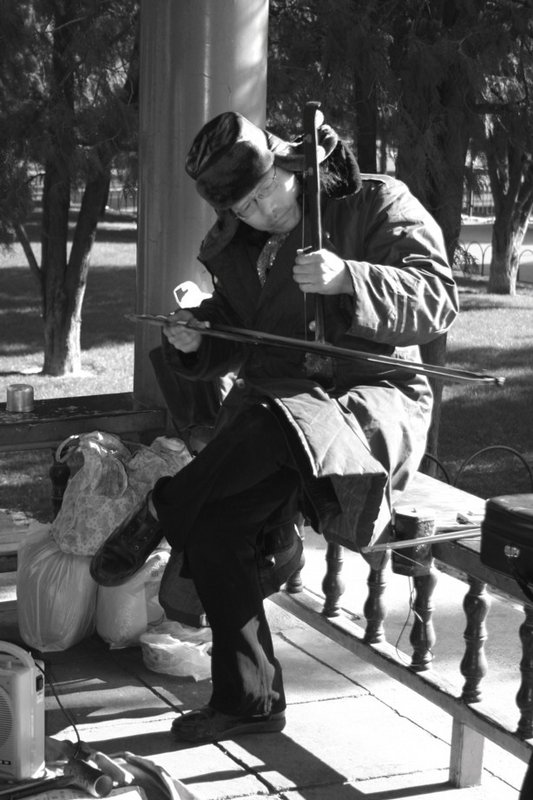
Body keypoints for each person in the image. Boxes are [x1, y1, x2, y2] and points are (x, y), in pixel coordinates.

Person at [91, 110, 459, 743]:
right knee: (215, 526)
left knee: (264, 422)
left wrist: (351, 277)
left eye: (267, 190)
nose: (263, 212)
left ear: (290, 163)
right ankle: (250, 700)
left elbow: (438, 297)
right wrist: (199, 337)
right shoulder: (239, 247)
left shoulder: (373, 202)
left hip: (371, 404)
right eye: (245, 206)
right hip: (277, 419)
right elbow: (242, 333)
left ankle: (163, 506)